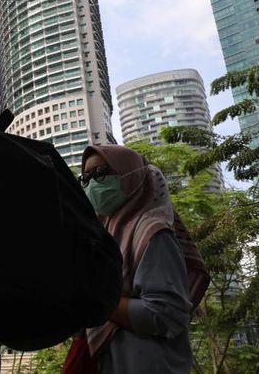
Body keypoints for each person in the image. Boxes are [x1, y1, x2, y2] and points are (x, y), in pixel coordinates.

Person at [77, 145, 209, 374]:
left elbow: (166, 313)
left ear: (131, 175)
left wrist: (97, 301)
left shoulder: (153, 233)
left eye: (101, 173)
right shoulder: (107, 236)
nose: (93, 184)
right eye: (86, 178)